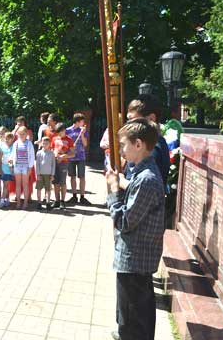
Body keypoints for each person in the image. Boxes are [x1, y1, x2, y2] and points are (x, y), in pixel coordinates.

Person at [105, 118, 165, 340]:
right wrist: (121, 183)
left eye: (123, 144)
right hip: (136, 258)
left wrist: (113, 190)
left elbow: (125, 221)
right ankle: (125, 332)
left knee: (134, 314)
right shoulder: (141, 173)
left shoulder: (146, 179)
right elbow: (134, 190)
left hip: (135, 259)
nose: (120, 149)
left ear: (138, 144)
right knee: (131, 309)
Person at [125, 97, 170, 186]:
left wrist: (118, 180)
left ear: (151, 119)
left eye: (132, 119)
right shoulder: (153, 143)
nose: (128, 124)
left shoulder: (152, 148)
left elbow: (143, 186)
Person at [66, 113, 91, 205]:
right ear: (77, 121)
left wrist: (82, 135)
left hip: (81, 156)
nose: (84, 123)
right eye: (82, 121)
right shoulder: (67, 130)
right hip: (71, 157)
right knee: (72, 176)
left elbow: (85, 144)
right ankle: (74, 196)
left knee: (82, 177)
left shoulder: (83, 130)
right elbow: (65, 143)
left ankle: (82, 196)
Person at [52, 123, 75, 209]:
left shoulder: (69, 140)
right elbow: (52, 149)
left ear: (64, 130)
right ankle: (57, 200)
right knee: (55, 183)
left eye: (60, 132)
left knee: (62, 182)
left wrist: (65, 156)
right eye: (57, 133)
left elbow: (73, 154)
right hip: (55, 162)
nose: (59, 134)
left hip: (64, 163)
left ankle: (62, 201)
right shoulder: (54, 139)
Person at [12, 126, 35, 209]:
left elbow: (32, 156)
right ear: (17, 134)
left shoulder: (29, 143)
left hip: (26, 167)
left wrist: (30, 167)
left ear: (26, 134)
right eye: (20, 134)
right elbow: (13, 155)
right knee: (18, 185)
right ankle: (18, 202)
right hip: (17, 166)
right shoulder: (16, 143)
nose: (21, 135)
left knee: (25, 185)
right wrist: (12, 164)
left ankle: (25, 202)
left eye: (23, 134)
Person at [35, 136, 55, 210]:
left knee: (48, 189)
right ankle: (39, 202)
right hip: (40, 174)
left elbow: (53, 165)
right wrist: (38, 174)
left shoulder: (52, 153)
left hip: (48, 174)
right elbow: (37, 164)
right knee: (39, 189)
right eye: (43, 143)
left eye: (46, 143)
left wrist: (52, 174)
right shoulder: (39, 153)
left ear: (49, 144)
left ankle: (48, 202)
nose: (45, 145)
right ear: (41, 144)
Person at [0, 132, 15, 208]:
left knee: (5, 185)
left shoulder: (14, 147)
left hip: (9, 169)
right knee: (5, 185)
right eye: (6, 139)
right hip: (3, 168)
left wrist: (12, 169)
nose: (7, 140)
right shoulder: (2, 147)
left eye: (9, 139)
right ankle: (7, 199)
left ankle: (2, 201)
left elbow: (14, 159)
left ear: (12, 139)